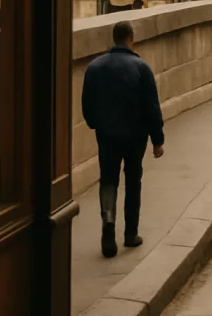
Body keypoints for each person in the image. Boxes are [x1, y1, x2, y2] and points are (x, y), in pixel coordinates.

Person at [81, 21, 165, 258]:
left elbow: (87, 103)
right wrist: (157, 139)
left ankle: (108, 226)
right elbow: (152, 107)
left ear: (114, 38)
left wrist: (95, 123)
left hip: (107, 135)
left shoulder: (95, 67)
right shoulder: (141, 67)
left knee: (108, 180)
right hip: (135, 136)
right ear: (131, 38)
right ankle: (130, 233)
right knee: (133, 180)